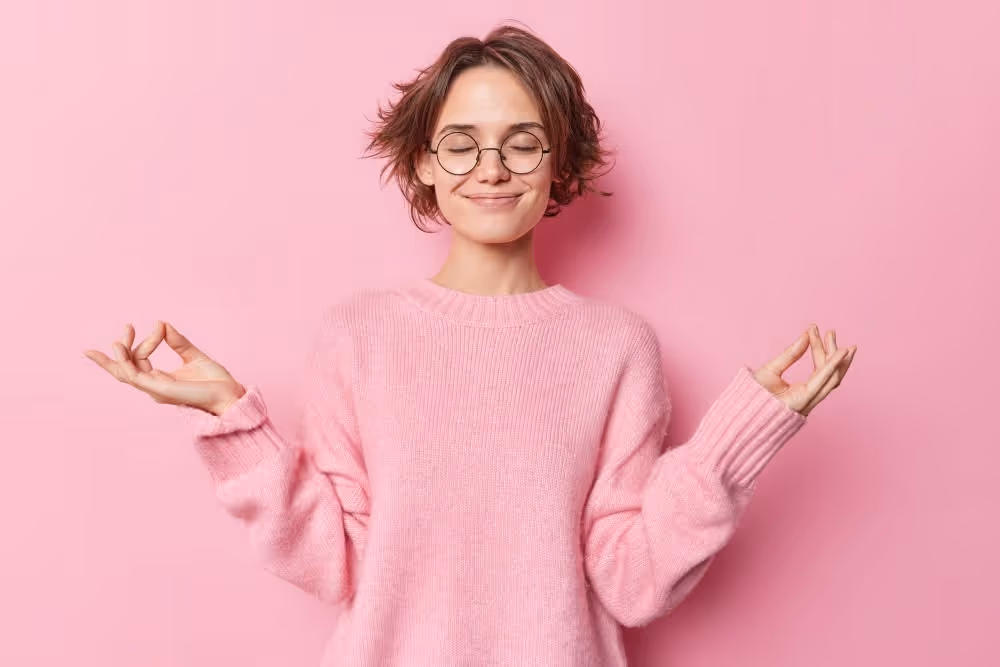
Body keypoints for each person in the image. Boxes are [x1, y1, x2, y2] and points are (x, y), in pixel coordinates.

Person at [83, 22, 856, 667]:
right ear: (423, 159)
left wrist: (731, 445)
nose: (491, 168)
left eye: (522, 143)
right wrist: (233, 416)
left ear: (558, 163)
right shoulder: (358, 335)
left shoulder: (615, 348)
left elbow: (631, 579)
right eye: (461, 143)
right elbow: (333, 557)